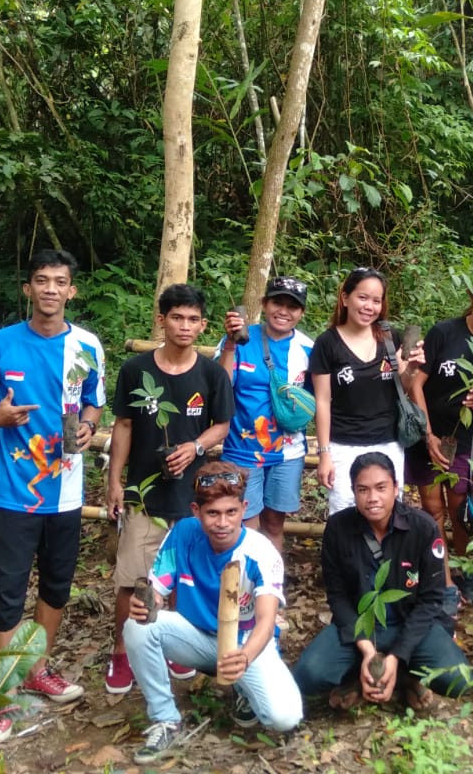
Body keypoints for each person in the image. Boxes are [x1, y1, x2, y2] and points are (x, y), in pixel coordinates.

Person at [0, 249, 105, 745]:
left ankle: (38, 669)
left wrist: (89, 426)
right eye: (41, 281)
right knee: (7, 590)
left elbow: (94, 402)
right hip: (12, 492)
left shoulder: (87, 345)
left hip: (67, 492)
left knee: (56, 585)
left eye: (60, 281)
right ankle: (0, 693)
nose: (51, 289)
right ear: (27, 289)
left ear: (72, 290)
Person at [124, 461, 302, 763]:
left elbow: (266, 620)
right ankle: (166, 719)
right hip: (198, 636)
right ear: (196, 511)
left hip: (246, 644)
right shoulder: (184, 534)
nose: (223, 522)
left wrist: (245, 657)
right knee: (138, 626)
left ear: (244, 508)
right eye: (213, 513)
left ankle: (245, 688)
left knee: (285, 717)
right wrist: (145, 604)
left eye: (231, 512)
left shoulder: (261, 552)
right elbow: (158, 590)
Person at [103, 284, 234, 696]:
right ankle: (122, 651)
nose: (185, 326)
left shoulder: (212, 373)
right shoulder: (135, 370)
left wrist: (194, 447)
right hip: (145, 493)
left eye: (193, 319)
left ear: (203, 325)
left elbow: (222, 425)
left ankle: (175, 644)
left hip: (195, 493)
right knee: (134, 577)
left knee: (183, 574)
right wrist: (114, 482)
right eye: (177, 317)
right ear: (161, 319)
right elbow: (123, 426)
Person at [292, 452, 470, 709]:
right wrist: (366, 650)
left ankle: (406, 676)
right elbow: (337, 597)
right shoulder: (338, 528)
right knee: (308, 677)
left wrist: (398, 656)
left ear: (396, 488)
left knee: (459, 681)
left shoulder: (422, 527)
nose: (372, 498)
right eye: (362, 489)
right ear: (353, 491)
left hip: (412, 623)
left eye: (381, 488)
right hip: (359, 625)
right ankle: (358, 674)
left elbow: (431, 599)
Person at [407, 267, 473, 607]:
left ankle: (466, 572)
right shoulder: (444, 332)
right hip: (428, 433)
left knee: (460, 508)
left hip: (467, 437)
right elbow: (416, 384)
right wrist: (427, 435)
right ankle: (444, 578)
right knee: (432, 507)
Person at [309, 267, 424, 515]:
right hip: (343, 444)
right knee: (344, 513)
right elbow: (322, 402)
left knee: (388, 513)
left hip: (389, 442)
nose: (369, 306)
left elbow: (402, 386)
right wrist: (324, 454)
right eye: (362, 297)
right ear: (345, 298)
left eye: (376, 300)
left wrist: (413, 367)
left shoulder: (389, 336)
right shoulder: (327, 343)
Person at [217, 276, 314, 555]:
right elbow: (221, 387)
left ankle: (270, 591)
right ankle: (242, 591)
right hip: (241, 449)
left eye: (292, 306)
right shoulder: (240, 339)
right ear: (264, 304)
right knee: (245, 524)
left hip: (288, 452)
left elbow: (316, 398)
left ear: (301, 312)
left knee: (274, 525)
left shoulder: (308, 349)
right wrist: (230, 345)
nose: (284, 311)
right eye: (277, 302)